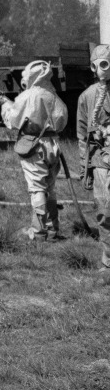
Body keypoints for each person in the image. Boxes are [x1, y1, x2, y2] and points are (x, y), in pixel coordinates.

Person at [0, 59, 68, 241]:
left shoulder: (27, 95)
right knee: (50, 188)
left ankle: (38, 232)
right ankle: (52, 230)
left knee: (37, 188)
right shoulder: (53, 95)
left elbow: (13, 121)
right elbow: (62, 120)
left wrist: (5, 105)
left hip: (34, 146)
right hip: (53, 146)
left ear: (31, 75)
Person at [76, 44, 110, 271]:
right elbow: (82, 135)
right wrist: (83, 167)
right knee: (104, 209)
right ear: (93, 67)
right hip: (100, 161)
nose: (106, 70)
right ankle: (108, 261)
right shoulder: (87, 97)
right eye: (103, 64)